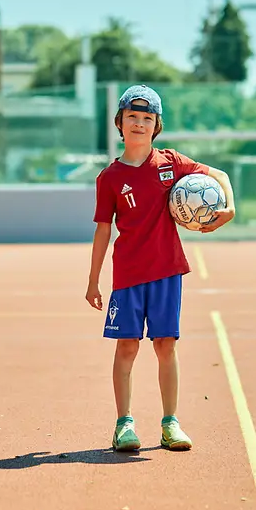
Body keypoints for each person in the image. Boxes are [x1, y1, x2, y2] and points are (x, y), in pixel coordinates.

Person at [85, 84, 236, 452]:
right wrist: (93, 281)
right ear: (120, 123)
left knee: (166, 345)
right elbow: (103, 229)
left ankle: (171, 423)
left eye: (147, 118)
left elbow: (220, 176)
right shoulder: (110, 178)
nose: (139, 124)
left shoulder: (172, 163)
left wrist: (228, 208)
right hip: (128, 277)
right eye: (132, 117)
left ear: (156, 126)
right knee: (127, 347)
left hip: (167, 272)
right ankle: (124, 424)